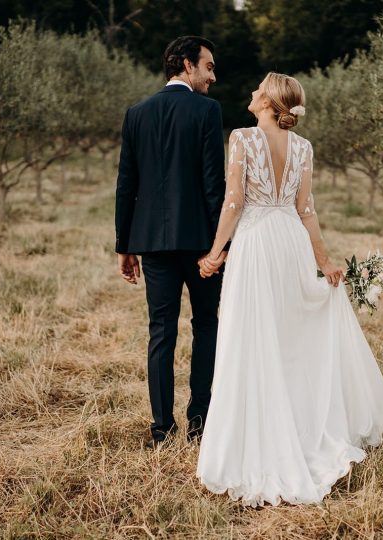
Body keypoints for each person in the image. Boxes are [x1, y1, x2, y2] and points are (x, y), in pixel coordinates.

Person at [195, 73, 383, 506]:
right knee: (288, 336)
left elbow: (233, 202)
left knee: (251, 336)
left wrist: (212, 253)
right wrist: (323, 260)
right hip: (291, 244)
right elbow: (307, 210)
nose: (250, 91)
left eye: (256, 88)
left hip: (257, 245)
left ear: (267, 101)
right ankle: (297, 423)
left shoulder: (242, 138)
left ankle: (261, 430)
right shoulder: (303, 148)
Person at [115, 36, 226, 448]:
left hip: (152, 244)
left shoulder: (137, 113)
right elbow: (214, 185)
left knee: (160, 332)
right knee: (206, 326)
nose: (213, 76)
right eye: (209, 67)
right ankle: (200, 423)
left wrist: (124, 245)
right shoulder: (207, 111)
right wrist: (221, 245)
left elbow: (127, 184)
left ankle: (162, 429)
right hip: (200, 244)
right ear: (186, 65)